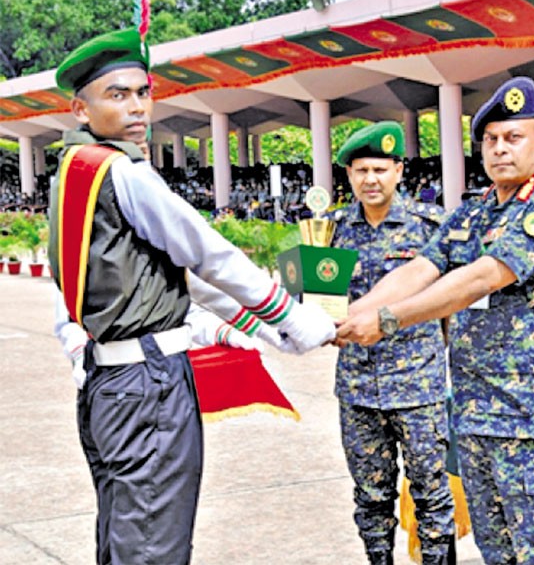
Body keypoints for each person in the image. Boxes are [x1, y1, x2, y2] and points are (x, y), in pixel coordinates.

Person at [48, 28, 335, 564]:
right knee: (153, 545)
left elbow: (173, 273)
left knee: (126, 539)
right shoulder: (121, 171)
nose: (137, 107)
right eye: (117, 95)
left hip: (109, 384)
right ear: (80, 109)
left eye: (143, 92)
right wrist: (293, 318)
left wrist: (263, 327)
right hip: (147, 384)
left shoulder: (73, 171)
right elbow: (207, 253)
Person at [336, 77, 534, 564]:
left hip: (530, 415)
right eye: (490, 140)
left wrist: (387, 321)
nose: (500, 149)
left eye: (513, 137)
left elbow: (480, 278)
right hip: (475, 412)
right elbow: (420, 269)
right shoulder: (473, 213)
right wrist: (350, 319)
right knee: (495, 550)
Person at [327, 121, 456, 565]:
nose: (371, 179)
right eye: (361, 170)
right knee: (371, 496)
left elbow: (450, 304)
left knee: (432, 495)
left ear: (399, 171)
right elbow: (323, 299)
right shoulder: (332, 231)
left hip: (418, 387)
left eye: (380, 169)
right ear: (349, 175)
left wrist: (439, 360)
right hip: (358, 388)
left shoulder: (429, 226)